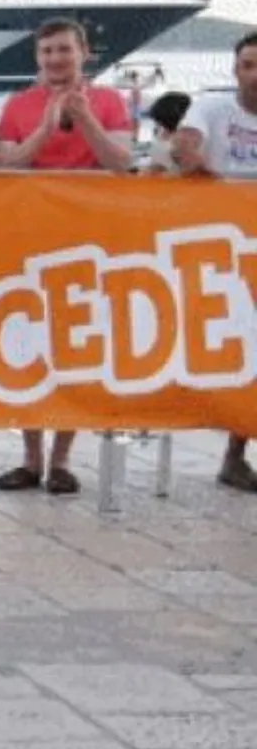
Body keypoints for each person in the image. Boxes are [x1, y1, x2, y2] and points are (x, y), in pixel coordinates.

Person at [0, 19, 133, 496]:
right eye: (47, 51)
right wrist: (46, 129)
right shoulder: (18, 105)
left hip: (90, 239)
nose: (55, 59)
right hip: (29, 235)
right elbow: (5, 164)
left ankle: (62, 459)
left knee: (77, 345)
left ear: (83, 53)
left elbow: (121, 163)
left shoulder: (109, 101)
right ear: (38, 57)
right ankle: (30, 457)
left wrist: (85, 119)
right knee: (28, 343)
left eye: (64, 50)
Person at [172, 31, 257, 491]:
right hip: (217, 244)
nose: (256, 75)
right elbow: (185, 149)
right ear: (235, 70)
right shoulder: (212, 107)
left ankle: (235, 453)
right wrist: (214, 182)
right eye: (249, 65)